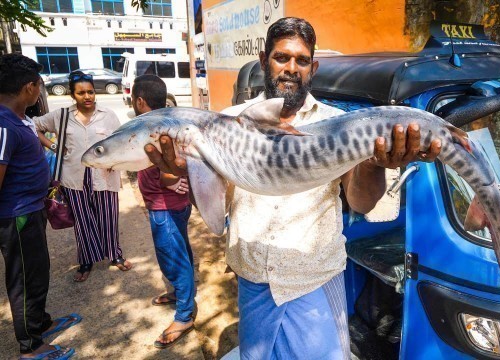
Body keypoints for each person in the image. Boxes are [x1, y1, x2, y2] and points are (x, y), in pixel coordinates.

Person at [146, 17, 448, 359]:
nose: (291, 68)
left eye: (301, 60)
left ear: (313, 67)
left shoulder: (339, 126)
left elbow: (360, 202)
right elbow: (217, 211)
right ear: (264, 61)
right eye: (281, 57)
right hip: (253, 284)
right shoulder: (225, 124)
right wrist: (188, 177)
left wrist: (371, 163)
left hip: (314, 284)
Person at [0, 53, 81, 360]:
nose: (41, 91)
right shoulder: (4, 124)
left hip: (32, 209)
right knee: (23, 278)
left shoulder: (19, 119)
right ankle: (30, 346)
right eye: (40, 85)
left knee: (38, 270)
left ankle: (39, 322)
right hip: (17, 215)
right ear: (29, 88)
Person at [34, 70, 133, 282]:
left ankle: (115, 255)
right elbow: (34, 125)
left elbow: (121, 141)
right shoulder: (61, 116)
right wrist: (53, 145)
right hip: (74, 177)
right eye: (81, 93)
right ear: (72, 95)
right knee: (83, 221)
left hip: (104, 175)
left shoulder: (108, 116)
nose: (87, 97)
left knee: (108, 217)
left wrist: (114, 162)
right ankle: (86, 261)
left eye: (90, 92)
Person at [131, 74, 197, 349]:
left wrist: (168, 179)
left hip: (166, 208)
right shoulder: (161, 125)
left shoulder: (155, 132)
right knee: (180, 252)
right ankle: (179, 294)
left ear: (139, 101)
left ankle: (185, 315)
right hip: (169, 208)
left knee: (174, 259)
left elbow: (172, 174)